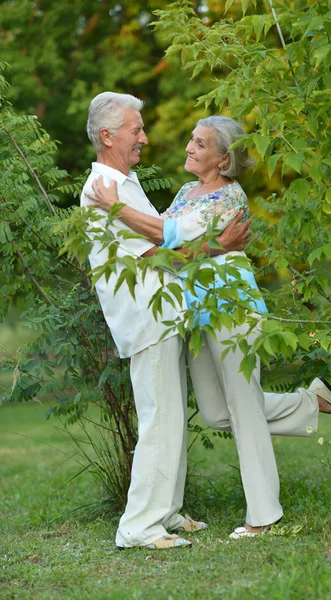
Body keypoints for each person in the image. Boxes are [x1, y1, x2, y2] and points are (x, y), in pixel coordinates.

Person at [88, 115, 331, 540]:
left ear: (223, 159)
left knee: (244, 409)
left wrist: (115, 208)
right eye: (191, 140)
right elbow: (166, 250)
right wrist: (163, 249)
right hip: (194, 313)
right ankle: (310, 403)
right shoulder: (185, 191)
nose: (189, 148)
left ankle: (264, 517)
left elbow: (170, 233)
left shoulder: (228, 199)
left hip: (231, 309)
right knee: (215, 413)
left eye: (200, 144)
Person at [81, 94, 251, 550]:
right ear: (108, 136)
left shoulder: (123, 181)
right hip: (145, 316)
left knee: (170, 416)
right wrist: (221, 245)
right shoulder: (103, 190)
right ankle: (139, 526)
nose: (144, 138)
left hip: (161, 313)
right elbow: (161, 253)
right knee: (160, 417)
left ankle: (167, 511)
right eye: (136, 130)